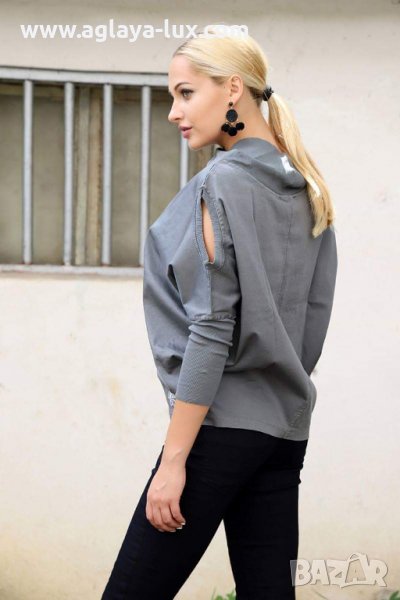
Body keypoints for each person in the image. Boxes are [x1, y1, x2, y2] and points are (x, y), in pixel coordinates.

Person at [101, 27, 338, 600]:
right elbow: (313, 317)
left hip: (220, 429)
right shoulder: (308, 187)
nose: (173, 112)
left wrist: (173, 462)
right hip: (284, 430)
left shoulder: (221, 184)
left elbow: (211, 330)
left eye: (186, 93)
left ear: (233, 89)